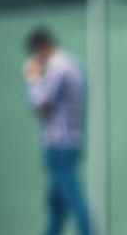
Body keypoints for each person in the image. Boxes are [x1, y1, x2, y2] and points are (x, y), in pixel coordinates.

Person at [23, 27, 93, 235]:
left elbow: (41, 105)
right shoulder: (73, 64)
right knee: (56, 205)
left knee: (72, 199)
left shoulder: (57, 66)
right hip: (71, 141)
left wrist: (33, 78)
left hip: (59, 144)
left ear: (40, 47)